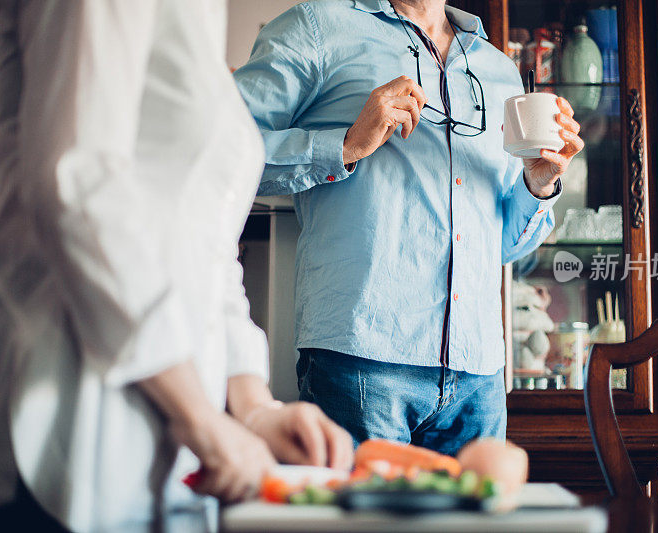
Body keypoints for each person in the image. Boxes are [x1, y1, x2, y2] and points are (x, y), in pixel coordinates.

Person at [0, 1, 352, 532]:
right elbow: (79, 183)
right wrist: (196, 414)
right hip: (69, 405)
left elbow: (207, 244)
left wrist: (253, 406)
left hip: (170, 429)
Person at [233, 0, 583, 454]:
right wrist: (344, 146)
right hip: (362, 361)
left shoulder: (498, 69)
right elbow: (221, 149)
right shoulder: (316, 27)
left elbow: (501, 247)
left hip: (478, 376)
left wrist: (538, 185)